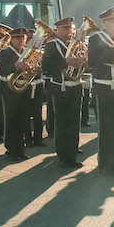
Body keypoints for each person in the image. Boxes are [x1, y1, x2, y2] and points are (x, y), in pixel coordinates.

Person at [88, 7, 114, 175]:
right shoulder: (95, 38)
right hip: (104, 86)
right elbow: (92, 61)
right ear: (104, 23)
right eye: (111, 21)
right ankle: (105, 164)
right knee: (106, 127)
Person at [42, 17, 85, 169]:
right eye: (65, 29)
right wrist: (64, 62)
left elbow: (85, 64)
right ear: (58, 30)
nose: (68, 32)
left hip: (75, 85)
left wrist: (83, 61)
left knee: (74, 122)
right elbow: (46, 66)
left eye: (70, 29)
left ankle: (72, 150)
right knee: (62, 122)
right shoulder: (52, 45)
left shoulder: (75, 44)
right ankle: (63, 156)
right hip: (61, 86)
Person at [0, 27, 29, 161]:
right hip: (9, 89)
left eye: (23, 38)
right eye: (17, 38)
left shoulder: (26, 52)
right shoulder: (5, 52)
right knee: (11, 119)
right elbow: (0, 69)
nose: (21, 40)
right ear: (11, 39)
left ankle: (20, 149)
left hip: (22, 88)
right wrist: (15, 65)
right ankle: (11, 150)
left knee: (22, 119)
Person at [22, 28, 47, 148]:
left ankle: (38, 138)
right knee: (25, 112)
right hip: (25, 84)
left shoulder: (39, 53)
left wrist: (40, 68)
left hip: (37, 83)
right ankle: (27, 138)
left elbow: (45, 66)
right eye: (29, 38)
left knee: (37, 113)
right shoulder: (23, 53)